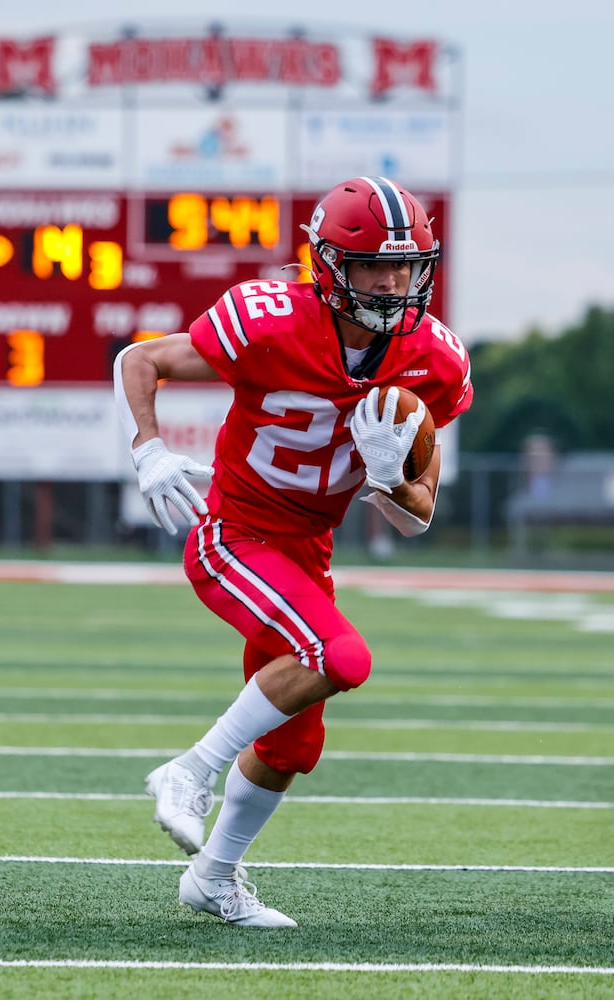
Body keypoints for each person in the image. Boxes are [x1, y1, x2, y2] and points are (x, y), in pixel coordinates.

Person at [115, 176, 472, 927]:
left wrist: (386, 480)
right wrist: (148, 449)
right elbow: (138, 361)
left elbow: (420, 517)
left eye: (405, 265)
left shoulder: (432, 359)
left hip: (306, 551)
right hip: (235, 533)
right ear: (328, 265)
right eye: (373, 263)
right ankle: (188, 771)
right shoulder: (267, 319)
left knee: (291, 745)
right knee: (341, 659)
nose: (392, 281)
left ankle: (213, 879)